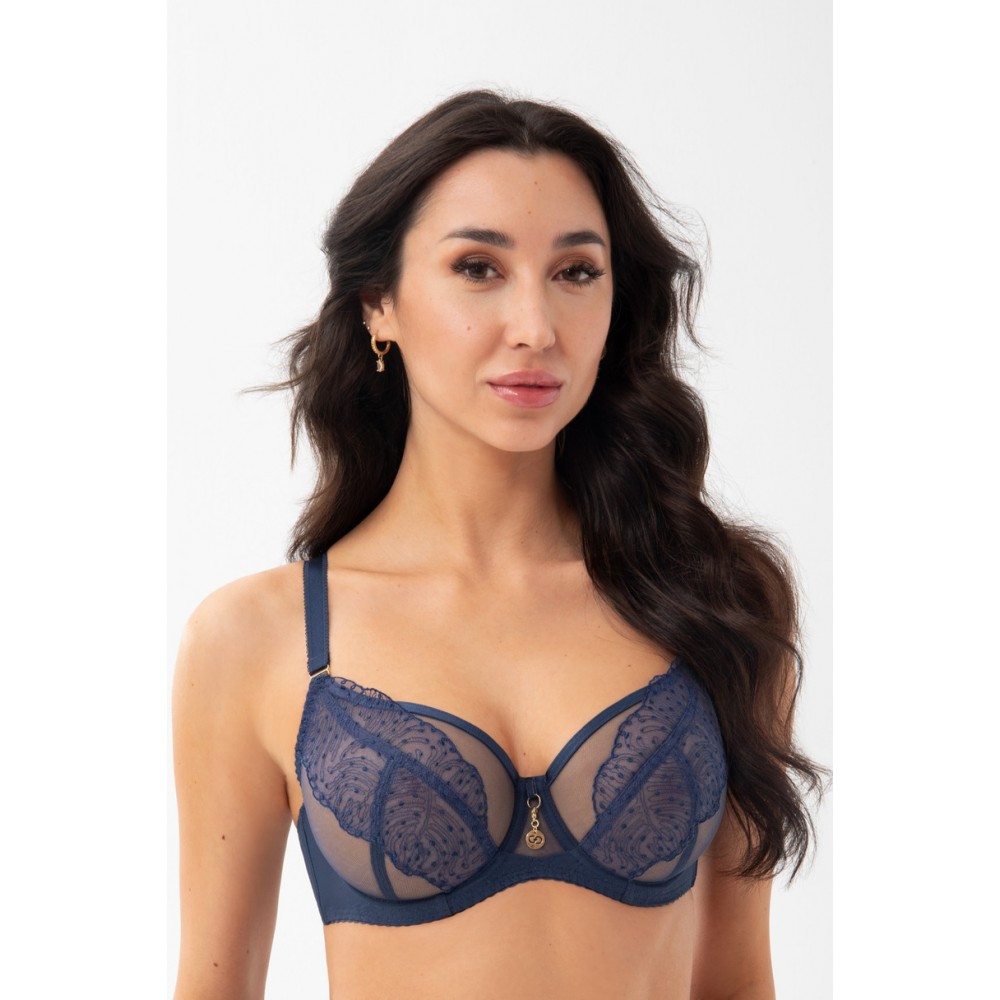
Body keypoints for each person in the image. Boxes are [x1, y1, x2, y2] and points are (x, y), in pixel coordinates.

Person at [172, 90, 823, 1000]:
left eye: (575, 272)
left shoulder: (717, 601)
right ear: (378, 305)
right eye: (478, 268)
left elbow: (739, 981)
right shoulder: (257, 639)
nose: (535, 328)